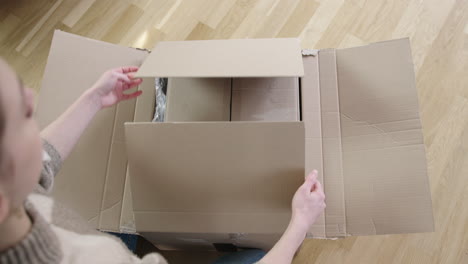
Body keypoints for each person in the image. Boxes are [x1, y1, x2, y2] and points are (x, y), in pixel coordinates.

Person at [0, 58, 325, 264]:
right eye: (25, 114)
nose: (31, 94)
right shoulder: (93, 259)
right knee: (257, 254)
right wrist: (298, 223)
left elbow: (41, 162)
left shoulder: (15, 197)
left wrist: (94, 99)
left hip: (90, 236)